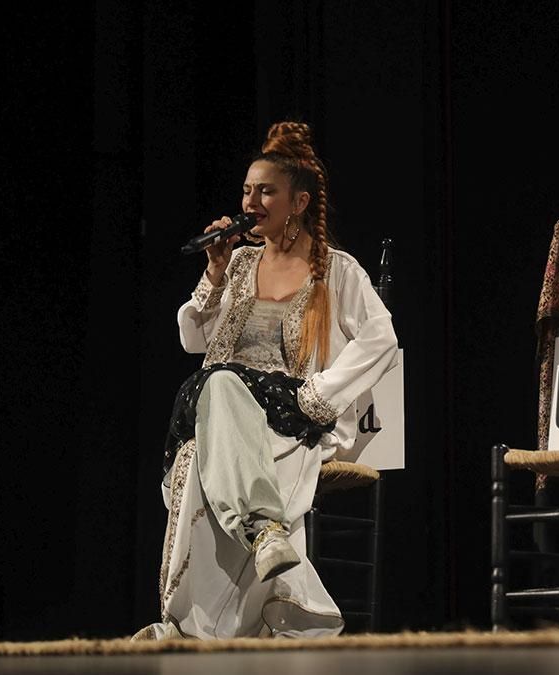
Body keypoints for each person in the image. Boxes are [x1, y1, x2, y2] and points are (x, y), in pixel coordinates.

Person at [133, 121, 398, 640]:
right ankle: (263, 531)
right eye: (246, 190)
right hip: (223, 406)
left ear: (298, 202)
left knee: (216, 409)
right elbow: (193, 338)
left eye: (265, 191)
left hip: (290, 413)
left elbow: (381, 337)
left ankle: (200, 629)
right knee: (217, 394)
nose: (250, 201)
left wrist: (321, 393)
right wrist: (213, 273)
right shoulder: (237, 264)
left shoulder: (336, 271)